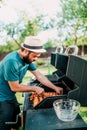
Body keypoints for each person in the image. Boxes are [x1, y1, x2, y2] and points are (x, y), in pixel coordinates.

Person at [0, 36, 63, 130]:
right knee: (5, 125)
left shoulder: (26, 59)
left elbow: (39, 75)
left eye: (37, 56)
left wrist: (55, 88)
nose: (36, 59)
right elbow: (15, 87)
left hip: (10, 96)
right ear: (25, 51)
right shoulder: (12, 61)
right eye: (34, 56)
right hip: (2, 98)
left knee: (15, 123)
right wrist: (35, 88)